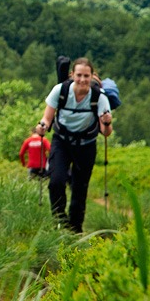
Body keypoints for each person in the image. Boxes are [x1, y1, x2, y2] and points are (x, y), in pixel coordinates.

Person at [35, 57, 112, 233]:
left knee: (79, 187)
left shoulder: (99, 97)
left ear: (92, 76)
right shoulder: (60, 91)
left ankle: (75, 228)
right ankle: (59, 219)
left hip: (86, 146)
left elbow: (106, 132)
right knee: (56, 181)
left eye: (86, 75)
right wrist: (42, 127)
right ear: (72, 75)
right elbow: (47, 118)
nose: (83, 80)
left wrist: (107, 122)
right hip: (61, 142)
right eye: (79, 75)